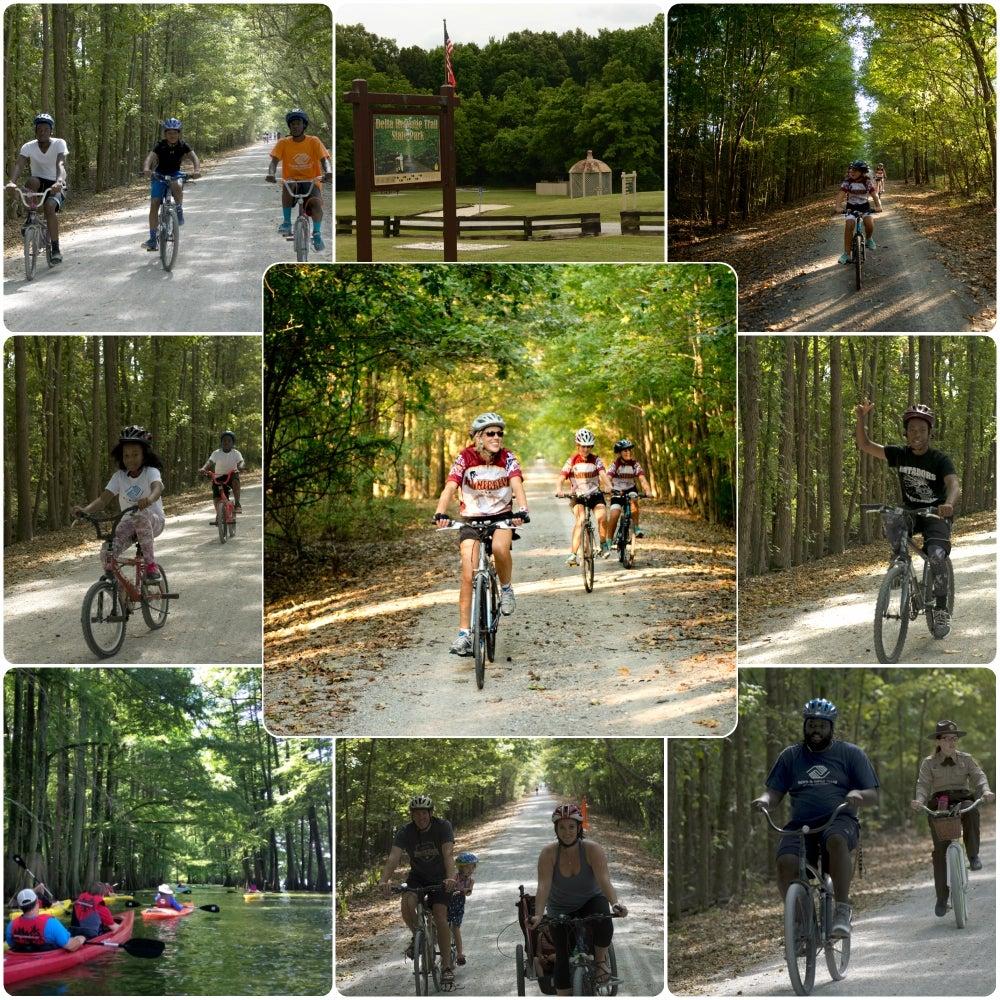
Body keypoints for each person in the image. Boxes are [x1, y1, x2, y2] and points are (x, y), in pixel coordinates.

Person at [752, 698, 879, 940]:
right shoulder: (790, 756)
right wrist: (765, 800)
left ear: (831, 727)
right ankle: (801, 924)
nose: (816, 731)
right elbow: (774, 792)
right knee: (785, 861)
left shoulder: (850, 754)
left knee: (836, 841)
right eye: (812, 725)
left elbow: (873, 795)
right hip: (801, 825)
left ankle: (842, 910)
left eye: (822, 726)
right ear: (805, 726)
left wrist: (857, 794)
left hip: (839, 820)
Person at [855, 400, 960, 636]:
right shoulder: (900, 454)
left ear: (929, 433)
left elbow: (953, 483)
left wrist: (948, 504)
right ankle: (900, 564)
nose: (917, 434)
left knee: (936, 556)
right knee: (891, 516)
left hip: (935, 514)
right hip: (911, 511)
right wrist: (861, 418)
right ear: (906, 432)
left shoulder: (939, 459)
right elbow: (864, 445)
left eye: (922, 430)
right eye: (912, 430)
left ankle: (941, 609)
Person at [433, 412, 529, 656]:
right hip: (471, 520)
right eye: (491, 433)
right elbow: (450, 487)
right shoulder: (465, 457)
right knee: (468, 572)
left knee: (499, 548)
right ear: (478, 437)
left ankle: (506, 589)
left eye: (499, 433)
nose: (497, 437)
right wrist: (440, 513)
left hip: (502, 517)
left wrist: (523, 509)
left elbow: (517, 484)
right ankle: (464, 634)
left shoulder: (507, 457)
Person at [529, 804, 626, 997]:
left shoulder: (592, 849)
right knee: (562, 958)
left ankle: (599, 962)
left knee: (603, 918)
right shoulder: (548, 854)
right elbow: (543, 887)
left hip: (591, 900)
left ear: (579, 828)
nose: (567, 832)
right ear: (556, 829)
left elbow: (604, 881)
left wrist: (615, 903)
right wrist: (539, 915)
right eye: (562, 827)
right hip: (560, 908)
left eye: (571, 827)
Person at [910, 720, 995, 916]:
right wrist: (919, 800)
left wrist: (986, 790)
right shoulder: (929, 763)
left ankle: (973, 855)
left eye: (954, 739)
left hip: (962, 799)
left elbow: (979, 777)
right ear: (938, 741)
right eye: (947, 739)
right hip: (939, 803)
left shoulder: (966, 759)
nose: (952, 742)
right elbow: (922, 786)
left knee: (971, 809)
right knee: (940, 851)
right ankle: (942, 898)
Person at [379, 795, 458, 989]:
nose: (421, 817)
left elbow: (448, 854)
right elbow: (393, 857)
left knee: (440, 914)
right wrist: (384, 880)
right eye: (416, 814)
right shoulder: (405, 831)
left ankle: (447, 966)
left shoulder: (443, 826)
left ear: (430, 814)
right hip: (418, 877)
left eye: (424, 813)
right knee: (407, 904)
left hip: (441, 878)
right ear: (412, 816)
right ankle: (418, 935)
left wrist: (450, 878)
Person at [73, 425, 166, 582]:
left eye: (135, 454)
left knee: (140, 514)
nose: (131, 459)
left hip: (153, 521)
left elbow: (157, 487)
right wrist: (85, 510)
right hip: (129, 523)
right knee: (106, 553)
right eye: (126, 455)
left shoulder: (151, 471)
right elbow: (103, 499)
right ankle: (121, 593)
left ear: (144, 454)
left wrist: (149, 499)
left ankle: (151, 565)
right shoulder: (119, 477)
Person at [266, 109, 332, 252]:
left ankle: (317, 233)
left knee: (316, 204)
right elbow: (274, 162)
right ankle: (287, 223)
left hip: (311, 180)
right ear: (289, 127)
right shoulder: (283, 143)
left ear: (304, 125)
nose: (295, 126)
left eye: (298, 123)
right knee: (288, 183)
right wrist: (271, 174)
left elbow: (325, 160)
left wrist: (329, 172)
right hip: (292, 181)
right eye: (292, 124)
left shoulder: (313, 141)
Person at [5, 113, 68, 263]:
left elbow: (61, 164)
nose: (42, 132)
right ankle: (30, 218)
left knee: (49, 207)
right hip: (39, 182)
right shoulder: (28, 147)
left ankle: (55, 249)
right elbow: (19, 164)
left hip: (56, 183)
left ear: (51, 131)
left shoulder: (59, 143)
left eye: (46, 129)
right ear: (36, 131)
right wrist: (11, 182)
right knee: (32, 181)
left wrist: (59, 181)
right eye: (39, 129)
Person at [141, 117, 201, 251]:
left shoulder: (183, 145)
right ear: (165, 134)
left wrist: (196, 170)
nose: (172, 135)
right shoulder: (160, 145)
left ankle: (179, 209)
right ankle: (152, 239)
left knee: (177, 185)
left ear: (179, 133)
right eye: (169, 133)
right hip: (159, 174)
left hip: (175, 173)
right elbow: (150, 158)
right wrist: (146, 169)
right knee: (154, 204)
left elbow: (194, 158)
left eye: (175, 133)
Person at [557, 429, 612, 563]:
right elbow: (561, 477)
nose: (585, 449)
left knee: (602, 517)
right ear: (578, 446)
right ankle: (573, 555)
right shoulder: (572, 461)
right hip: (578, 496)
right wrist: (559, 489)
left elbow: (603, 474)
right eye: (583, 446)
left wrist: (609, 486)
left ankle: (603, 544)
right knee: (581, 520)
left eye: (588, 446)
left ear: (591, 447)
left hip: (595, 494)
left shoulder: (596, 460)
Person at [605, 439, 652, 555]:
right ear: (620, 453)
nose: (628, 453)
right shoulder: (615, 465)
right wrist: (608, 487)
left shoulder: (635, 464)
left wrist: (648, 490)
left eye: (629, 451)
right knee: (615, 514)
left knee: (634, 501)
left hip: (631, 490)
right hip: (617, 491)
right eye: (625, 451)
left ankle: (636, 528)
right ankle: (609, 540)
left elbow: (642, 479)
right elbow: (608, 478)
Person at [5, 889, 85, 953]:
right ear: (37, 903)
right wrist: (81, 939)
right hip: (44, 958)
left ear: (20, 907)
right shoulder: (51, 923)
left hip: (21, 958)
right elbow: (71, 947)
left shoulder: (11, 925)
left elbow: (12, 945)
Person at [835, 160, 882, 265]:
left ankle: (869, 239)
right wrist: (838, 207)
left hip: (864, 206)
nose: (852, 172)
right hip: (851, 207)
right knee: (849, 224)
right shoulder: (848, 182)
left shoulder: (867, 182)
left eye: (855, 170)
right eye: (851, 169)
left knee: (869, 223)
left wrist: (879, 206)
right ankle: (846, 253)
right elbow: (841, 195)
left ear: (862, 172)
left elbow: (875, 195)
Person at [200, 430, 245, 523]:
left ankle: (237, 504)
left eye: (229, 441)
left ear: (232, 443)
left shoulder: (236, 453)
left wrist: (240, 467)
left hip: (231, 475)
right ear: (221, 442)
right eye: (224, 440)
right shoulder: (216, 453)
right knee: (216, 497)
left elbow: (241, 461)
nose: (226, 442)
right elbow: (210, 462)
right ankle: (219, 514)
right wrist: (203, 468)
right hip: (219, 476)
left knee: (236, 481)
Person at [448, 851, 477, 966]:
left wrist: (466, 890)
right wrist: (453, 887)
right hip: (449, 902)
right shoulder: (454, 877)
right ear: (460, 868)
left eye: (472, 868)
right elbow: (448, 885)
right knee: (443, 925)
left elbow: (469, 892)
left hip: (458, 905)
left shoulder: (471, 881)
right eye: (467, 868)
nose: (470, 870)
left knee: (455, 928)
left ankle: (459, 954)